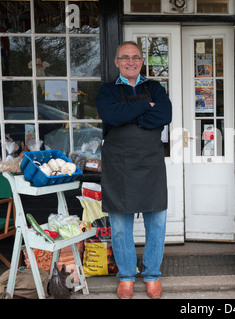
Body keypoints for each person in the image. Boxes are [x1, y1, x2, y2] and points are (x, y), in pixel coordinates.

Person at [95, 41, 172, 299]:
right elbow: (111, 116)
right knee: (119, 225)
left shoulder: (155, 88)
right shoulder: (107, 91)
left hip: (150, 163)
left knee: (157, 223)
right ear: (117, 62)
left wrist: (126, 112)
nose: (131, 62)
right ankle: (126, 276)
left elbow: (164, 115)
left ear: (141, 61)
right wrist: (142, 107)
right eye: (125, 58)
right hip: (118, 164)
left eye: (135, 57)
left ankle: (152, 275)